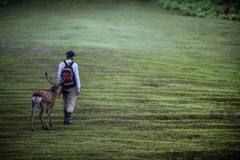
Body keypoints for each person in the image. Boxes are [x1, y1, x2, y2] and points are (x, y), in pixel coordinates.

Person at [57, 51, 81, 124]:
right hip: (72, 86)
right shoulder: (74, 65)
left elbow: (59, 77)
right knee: (71, 102)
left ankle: (66, 118)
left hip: (64, 86)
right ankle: (67, 119)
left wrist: (59, 86)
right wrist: (78, 88)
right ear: (72, 57)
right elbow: (77, 77)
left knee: (65, 101)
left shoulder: (61, 64)